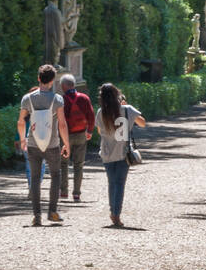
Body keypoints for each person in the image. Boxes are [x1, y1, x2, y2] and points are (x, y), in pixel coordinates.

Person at [17, 64, 71, 226]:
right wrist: (66, 143)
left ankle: (36, 215)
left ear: (39, 78)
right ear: (53, 80)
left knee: (34, 178)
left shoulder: (27, 99)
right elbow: (62, 124)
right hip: (52, 144)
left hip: (33, 143)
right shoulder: (57, 99)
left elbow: (21, 122)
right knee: (55, 175)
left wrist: (22, 140)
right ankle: (52, 212)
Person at [93, 82, 145, 227]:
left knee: (112, 183)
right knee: (120, 184)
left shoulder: (100, 112)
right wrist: (128, 110)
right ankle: (116, 213)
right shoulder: (127, 109)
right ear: (117, 95)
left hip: (107, 152)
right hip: (123, 153)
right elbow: (142, 123)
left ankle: (113, 211)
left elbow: (99, 131)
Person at [58, 74, 94, 202]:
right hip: (80, 134)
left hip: (65, 136)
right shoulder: (84, 98)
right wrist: (89, 131)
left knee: (63, 164)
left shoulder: (61, 100)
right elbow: (91, 115)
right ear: (74, 84)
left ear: (63, 86)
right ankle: (77, 193)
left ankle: (63, 191)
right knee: (78, 165)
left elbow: (59, 120)